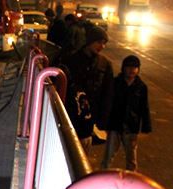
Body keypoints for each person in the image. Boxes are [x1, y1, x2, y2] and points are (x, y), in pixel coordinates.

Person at [62, 26, 114, 154]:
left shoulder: (105, 64)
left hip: (89, 122)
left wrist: (102, 121)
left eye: (104, 43)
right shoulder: (71, 60)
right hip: (70, 117)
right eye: (98, 42)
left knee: (82, 157)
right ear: (89, 41)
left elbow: (108, 94)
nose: (101, 46)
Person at [101, 55, 151, 171]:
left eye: (134, 67)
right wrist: (104, 122)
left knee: (131, 159)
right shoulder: (115, 83)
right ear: (123, 68)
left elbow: (144, 108)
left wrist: (146, 126)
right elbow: (107, 103)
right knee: (108, 157)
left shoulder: (141, 87)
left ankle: (131, 181)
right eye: (129, 67)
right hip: (115, 125)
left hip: (131, 127)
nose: (131, 70)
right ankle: (103, 179)